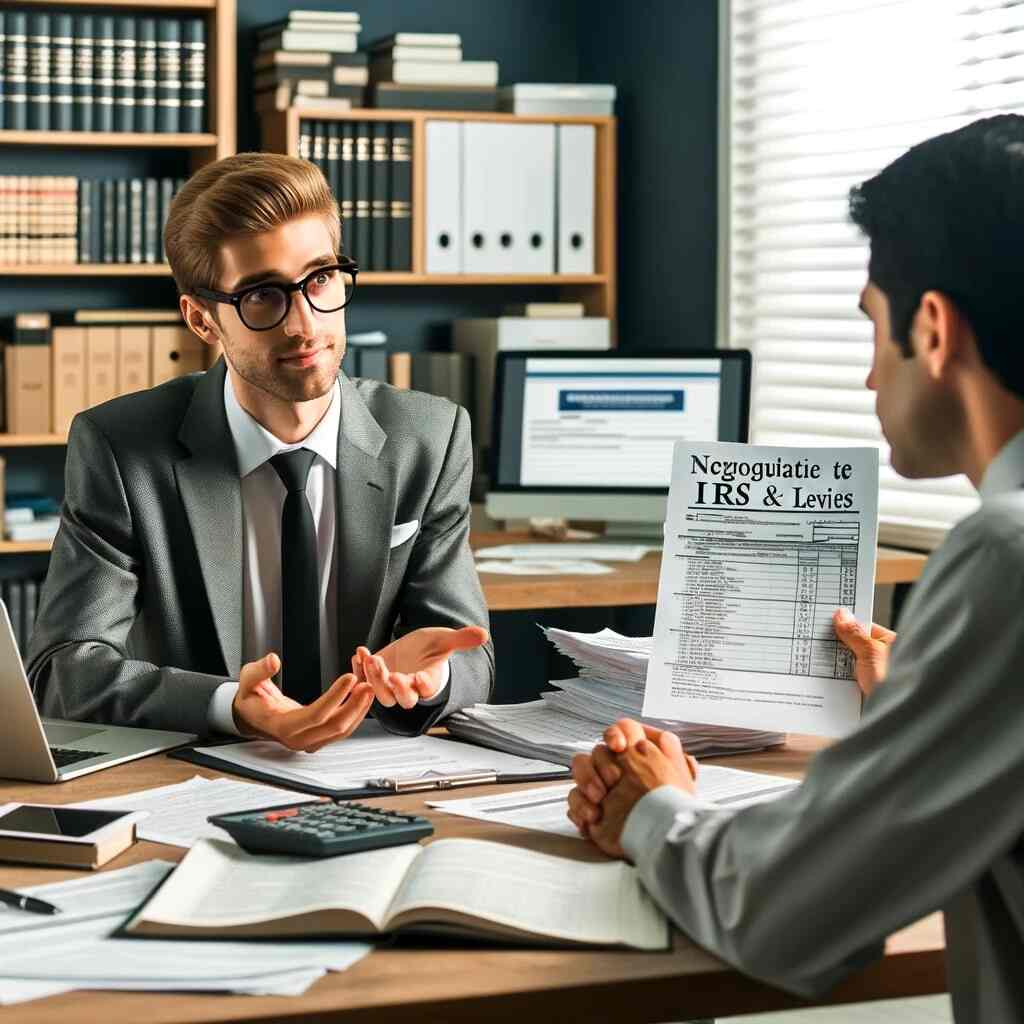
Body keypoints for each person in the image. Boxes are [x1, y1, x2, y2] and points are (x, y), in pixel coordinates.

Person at [567, 114, 1024, 1021]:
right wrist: (931, 705)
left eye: (871, 328)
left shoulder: (1006, 555)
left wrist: (651, 810)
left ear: (933, 331)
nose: (865, 380)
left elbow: (781, 912)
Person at [26, 152, 494, 750]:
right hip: (203, 774)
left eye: (320, 279)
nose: (303, 322)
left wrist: (429, 679)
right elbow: (62, 671)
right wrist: (233, 707)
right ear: (201, 320)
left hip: (374, 772)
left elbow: (469, 654)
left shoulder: (430, 438)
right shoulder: (120, 450)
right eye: (262, 295)